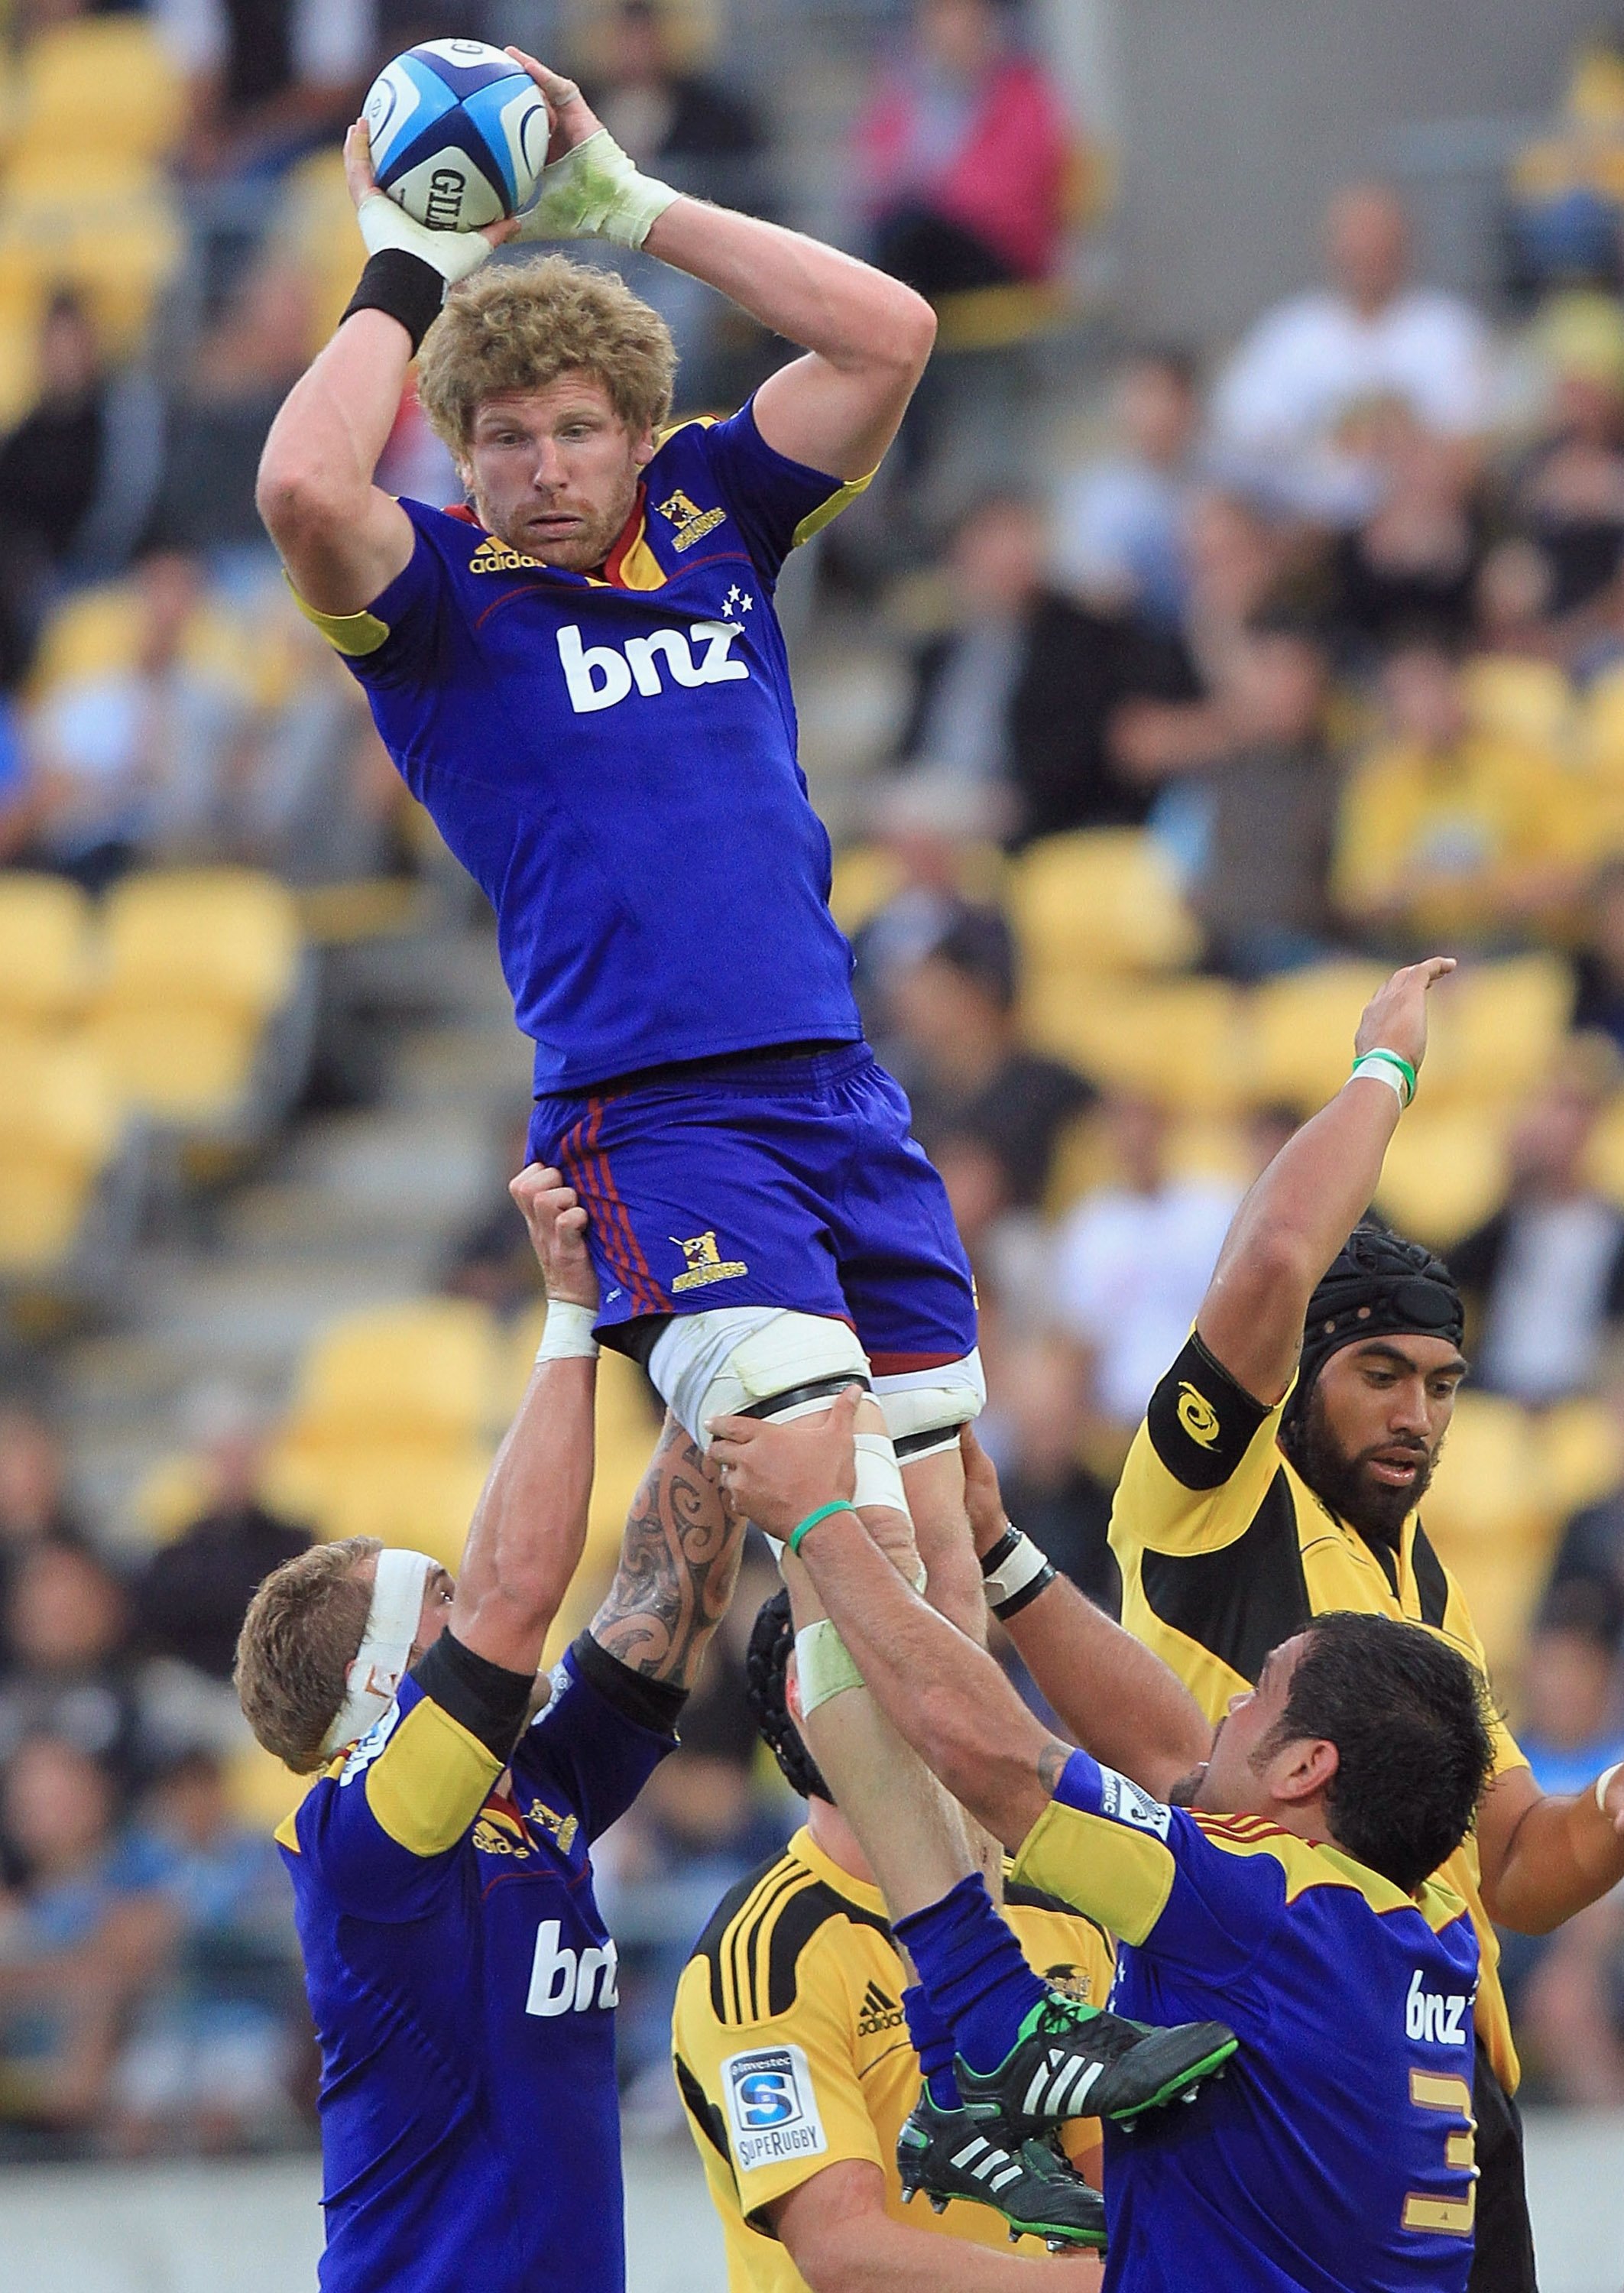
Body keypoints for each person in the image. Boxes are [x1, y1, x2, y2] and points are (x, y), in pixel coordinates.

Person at [257, 47, 1003, 1994]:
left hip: (837, 1091)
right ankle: (985, 1996)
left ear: (632, 425)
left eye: (574, 425)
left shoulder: (713, 514)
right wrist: (398, 264)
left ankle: (993, 1984)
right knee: (836, 1517)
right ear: (465, 451)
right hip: (652, 1119)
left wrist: (627, 206)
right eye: (496, 434)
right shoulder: (435, 605)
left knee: (940, 1568)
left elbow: (893, 331)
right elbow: (296, 482)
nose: (538, 463)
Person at [1092, 954, 1624, 2293]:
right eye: (1379, 1373)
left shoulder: (1427, 1593)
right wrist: (1385, 1069)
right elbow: (1277, 1255)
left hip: (1448, 2085)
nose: (1418, 1416)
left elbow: (1517, 1869)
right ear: (1296, 1374)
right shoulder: (1211, 1500)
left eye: (1444, 1384)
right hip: (1268, 2057)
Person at [706, 1394, 1498, 2293]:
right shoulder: (1423, 1922)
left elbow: (990, 1753)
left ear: (1308, 1767)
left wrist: (815, 1522)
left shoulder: (1259, 1908)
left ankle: (987, 2044)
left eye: (1259, 1694)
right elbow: (1170, 1756)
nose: (1228, 1707)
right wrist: (999, 1550)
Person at [233, 1166, 748, 2293]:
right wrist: (570, 1304)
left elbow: (667, 1600)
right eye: (435, 1600)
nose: (464, 1601)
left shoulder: (530, 1791)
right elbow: (518, 1596)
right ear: (386, 1681)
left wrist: (720, 1342)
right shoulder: (357, 1839)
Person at [673, 1586, 1115, 2285]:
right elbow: (842, 2253)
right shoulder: (764, 1955)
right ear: (802, 1696)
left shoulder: (1061, 1914)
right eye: (855, 1661)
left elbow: (1114, 2183)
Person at [1209, 181, 1493, 524]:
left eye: (1379, 239)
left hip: (1418, 526)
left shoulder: (1449, 331)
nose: (1368, 251)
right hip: (1306, 526)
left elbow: (1471, 443)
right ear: (1332, 247)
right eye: (1356, 239)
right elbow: (1245, 438)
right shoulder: (1287, 336)